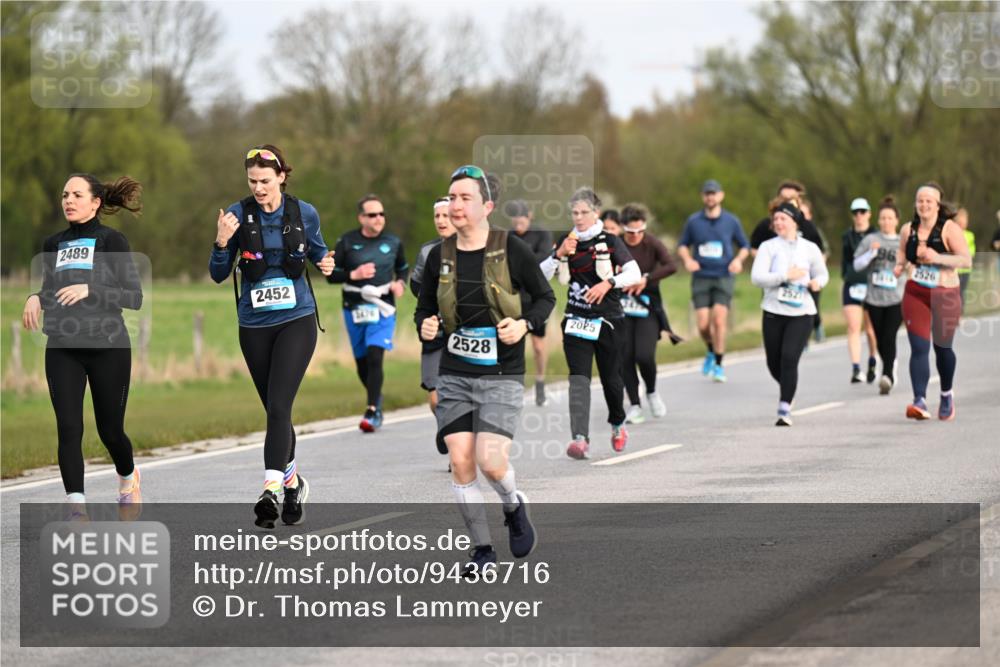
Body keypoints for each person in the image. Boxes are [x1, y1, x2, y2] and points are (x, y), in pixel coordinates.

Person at [415, 165, 554, 575]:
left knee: (491, 463)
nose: (456, 206)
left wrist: (524, 324)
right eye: (452, 197)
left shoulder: (511, 249)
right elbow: (424, 310)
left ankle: (513, 505)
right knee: (461, 461)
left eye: (465, 198)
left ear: (486, 206)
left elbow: (545, 299)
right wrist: (424, 326)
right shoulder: (438, 255)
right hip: (455, 371)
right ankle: (481, 550)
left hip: (501, 372)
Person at [210, 145, 336, 529]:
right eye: (253, 182)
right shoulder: (235, 215)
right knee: (275, 412)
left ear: (282, 177)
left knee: (280, 406)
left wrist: (327, 262)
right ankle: (294, 483)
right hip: (254, 325)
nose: (259, 188)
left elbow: (318, 252)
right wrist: (220, 242)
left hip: (296, 320)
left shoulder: (304, 212)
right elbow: (218, 274)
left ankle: (271, 490)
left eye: (266, 181)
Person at [22, 173, 145, 519]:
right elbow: (52, 290)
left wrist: (92, 290)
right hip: (63, 346)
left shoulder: (112, 241)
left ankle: (128, 476)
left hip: (109, 347)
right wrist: (36, 297)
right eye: (64, 195)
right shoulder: (53, 244)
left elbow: (134, 297)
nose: (68, 201)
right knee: (69, 427)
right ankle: (76, 507)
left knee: (110, 431)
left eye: (77, 195)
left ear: (95, 202)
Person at [540, 188, 642, 459]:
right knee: (579, 380)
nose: (579, 217)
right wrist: (558, 253)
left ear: (595, 213)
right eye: (574, 213)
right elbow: (540, 276)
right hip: (576, 319)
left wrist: (607, 283)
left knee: (611, 379)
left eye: (584, 212)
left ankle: (618, 424)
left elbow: (634, 273)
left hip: (608, 321)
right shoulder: (567, 241)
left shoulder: (609, 240)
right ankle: (580, 438)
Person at [327, 194, 408, 432]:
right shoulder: (347, 241)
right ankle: (377, 399)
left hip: (382, 308)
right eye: (372, 214)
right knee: (362, 363)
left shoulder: (393, 242)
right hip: (354, 308)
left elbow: (403, 269)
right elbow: (331, 274)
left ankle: (372, 410)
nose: (379, 218)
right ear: (361, 217)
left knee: (375, 356)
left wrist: (400, 284)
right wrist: (354, 274)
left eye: (381, 214)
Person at [895, 182, 970, 421]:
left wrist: (938, 257)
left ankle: (946, 393)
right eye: (920, 200)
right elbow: (901, 253)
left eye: (929, 201)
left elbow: (965, 260)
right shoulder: (908, 229)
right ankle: (920, 400)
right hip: (916, 292)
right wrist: (898, 267)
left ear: (937, 205)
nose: (924, 205)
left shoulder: (950, 229)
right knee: (919, 348)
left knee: (942, 348)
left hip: (945, 294)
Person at [751, 199, 829, 426]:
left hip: (802, 312)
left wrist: (817, 283)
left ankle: (784, 408)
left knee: (789, 358)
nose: (778, 222)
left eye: (783, 218)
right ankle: (788, 386)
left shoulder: (810, 248)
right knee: (773, 363)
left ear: (794, 221)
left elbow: (823, 274)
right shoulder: (768, 247)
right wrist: (785, 276)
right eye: (775, 219)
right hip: (773, 311)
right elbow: (757, 278)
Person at [677, 179, 750, 383]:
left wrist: (738, 260)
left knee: (719, 320)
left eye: (714, 193)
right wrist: (688, 260)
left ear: (721, 196)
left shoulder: (731, 221)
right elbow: (682, 245)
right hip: (701, 277)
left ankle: (718, 364)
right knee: (702, 325)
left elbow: (744, 246)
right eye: (707, 193)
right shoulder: (693, 221)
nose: (711, 197)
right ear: (703, 197)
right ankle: (710, 350)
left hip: (723, 276)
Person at [617, 203, 680, 423]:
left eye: (640, 231)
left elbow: (671, 266)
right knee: (625, 357)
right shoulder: (614, 244)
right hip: (621, 308)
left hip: (647, 307)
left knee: (644, 355)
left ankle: (652, 391)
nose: (635, 236)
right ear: (622, 228)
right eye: (630, 232)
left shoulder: (652, 244)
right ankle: (635, 405)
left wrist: (645, 279)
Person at [410, 197, 455, 469]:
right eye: (436, 216)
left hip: (462, 330)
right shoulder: (428, 251)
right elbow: (418, 286)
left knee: (461, 392)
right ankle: (447, 432)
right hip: (434, 327)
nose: (440, 220)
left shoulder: (473, 247)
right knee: (436, 396)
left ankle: (457, 446)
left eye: (445, 215)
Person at [853, 196, 906, 394]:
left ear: (897, 220)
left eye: (890, 218)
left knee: (889, 336)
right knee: (879, 337)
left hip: (896, 298)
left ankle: (888, 375)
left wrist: (904, 267)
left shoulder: (903, 241)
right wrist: (870, 255)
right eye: (883, 218)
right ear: (878, 220)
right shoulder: (870, 240)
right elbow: (857, 264)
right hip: (874, 298)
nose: (886, 221)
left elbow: (912, 264)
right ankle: (890, 366)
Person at [505, 199, 554, 406]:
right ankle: (513, 387)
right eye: (515, 219)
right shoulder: (508, 237)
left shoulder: (541, 234)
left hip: (534, 297)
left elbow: (542, 259)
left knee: (538, 345)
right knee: (512, 342)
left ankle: (541, 381)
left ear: (529, 216)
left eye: (521, 218)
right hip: (514, 297)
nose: (518, 223)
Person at [842, 197, 879, 384]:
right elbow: (845, 262)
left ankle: (873, 360)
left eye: (862, 212)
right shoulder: (847, 236)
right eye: (855, 212)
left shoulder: (877, 235)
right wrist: (846, 279)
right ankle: (856, 368)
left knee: (871, 330)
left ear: (869, 214)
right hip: (853, 285)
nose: (859, 216)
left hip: (872, 285)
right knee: (853, 327)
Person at [955, 208, 976, 311]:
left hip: (965, 269)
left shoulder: (970, 235)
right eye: (960, 222)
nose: (962, 224)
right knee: (954, 290)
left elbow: (971, 251)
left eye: (964, 222)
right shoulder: (953, 233)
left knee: (961, 290)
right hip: (955, 269)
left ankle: (960, 311)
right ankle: (953, 310)